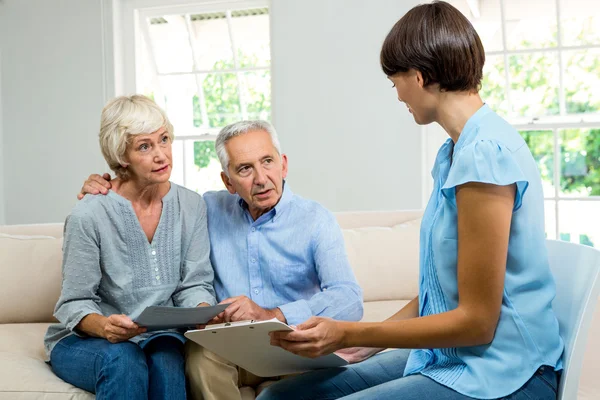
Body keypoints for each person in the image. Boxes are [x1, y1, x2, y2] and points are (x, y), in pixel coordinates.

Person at [257, 2, 564, 400]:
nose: (397, 94)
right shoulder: (454, 153)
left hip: (506, 372)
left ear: (417, 77)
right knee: (281, 397)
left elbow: (477, 322)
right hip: (456, 357)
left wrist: (351, 330)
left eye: (394, 80)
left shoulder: (485, 155)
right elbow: (442, 288)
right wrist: (367, 344)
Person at [78, 120, 364, 400]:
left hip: (296, 346)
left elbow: (349, 300)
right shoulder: (205, 209)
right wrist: (109, 187)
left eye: (267, 161)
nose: (261, 178)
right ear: (227, 181)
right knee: (200, 357)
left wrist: (274, 315)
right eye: (245, 169)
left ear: (284, 164)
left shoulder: (316, 220)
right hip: (233, 347)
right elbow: (152, 195)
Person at [44, 95, 217, 400]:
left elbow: (195, 283)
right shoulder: (90, 214)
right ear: (121, 156)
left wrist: (204, 312)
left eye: (164, 140)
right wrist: (104, 327)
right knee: (124, 360)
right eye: (144, 146)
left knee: (167, 361)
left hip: (159, 335)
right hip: (87, 341)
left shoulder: (191, 205)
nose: (161, 155)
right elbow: (75, 302)